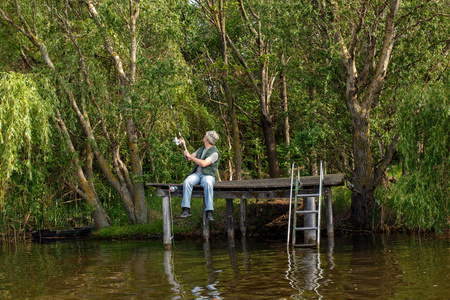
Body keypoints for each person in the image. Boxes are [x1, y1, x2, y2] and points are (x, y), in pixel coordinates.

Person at [178, 131, 220, 221]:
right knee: (187, 181)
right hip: (197, 174)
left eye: (206, 135)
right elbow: (188, 158)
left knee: (208, 183)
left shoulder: (215, 153)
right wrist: (183, 145)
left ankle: (209, 211)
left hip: (208, 175)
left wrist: (191, 156)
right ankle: (186, 209)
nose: (204, 135)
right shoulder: (200, 149)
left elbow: (204, 163)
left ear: (208, 139)